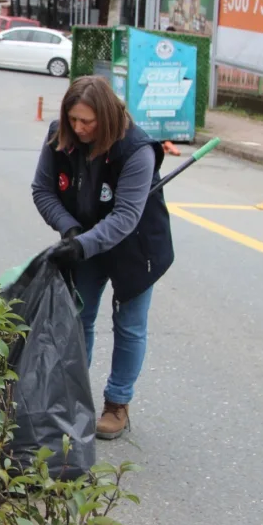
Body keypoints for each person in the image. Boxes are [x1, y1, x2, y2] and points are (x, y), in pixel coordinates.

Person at [30, 75, 174, 440]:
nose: (78, 128)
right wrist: (71, 230)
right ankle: (74, 399)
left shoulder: (137, 149)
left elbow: (126, 216)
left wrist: (81, 244)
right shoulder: (58, 136)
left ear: (106, 118)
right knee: (79, 320)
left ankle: (117, 402)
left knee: (129, 325)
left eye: (87, 122)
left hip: (135, 245)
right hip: (85, 238)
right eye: (73, 119)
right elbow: (43, 190)